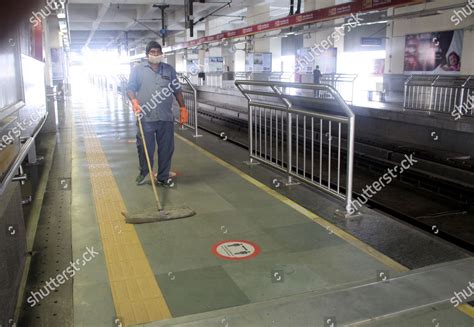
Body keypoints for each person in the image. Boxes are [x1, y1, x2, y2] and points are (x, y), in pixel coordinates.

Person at [127, 41, 188, 186]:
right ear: (147, 54)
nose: (155, 54)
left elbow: (177, 90)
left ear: (162, 54)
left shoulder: (168, 70)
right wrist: (134, 100)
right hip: (146, 116)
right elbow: (130, 88)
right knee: (145, 148)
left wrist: (183, 108)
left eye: (158, 52)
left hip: (165, 117)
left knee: (166, 149)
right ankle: (144, 171)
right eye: (153, 52)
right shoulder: (138, 70)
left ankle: (163, 177)